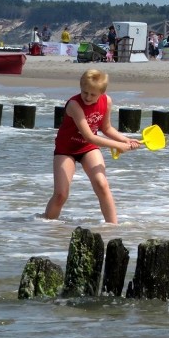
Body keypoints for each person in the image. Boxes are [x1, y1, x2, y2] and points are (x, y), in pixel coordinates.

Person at [43, 69, 141, 224]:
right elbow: (89, 135)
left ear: (102, 92)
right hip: (66, 150)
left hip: (88, 148)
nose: (87, 97)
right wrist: (118, 145)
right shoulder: (74, 105)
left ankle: (113, 227)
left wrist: (126, 140)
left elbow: (106, 128)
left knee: (102, 184)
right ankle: (45, 225)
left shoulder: (106, 101)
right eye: (84, 92)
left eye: (92, 94)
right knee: (61, 194)